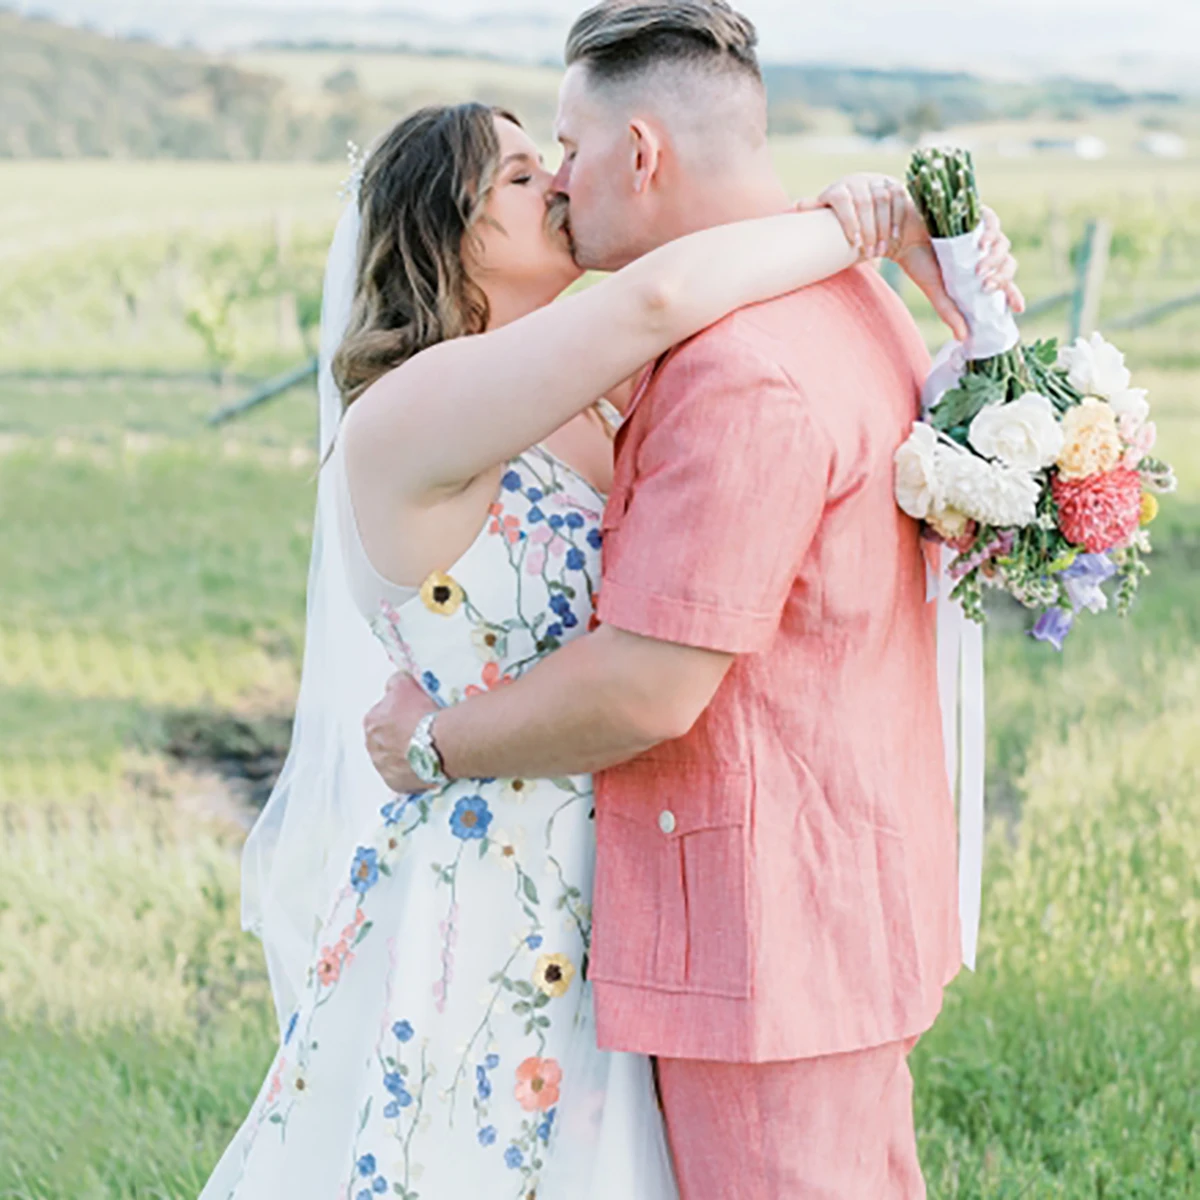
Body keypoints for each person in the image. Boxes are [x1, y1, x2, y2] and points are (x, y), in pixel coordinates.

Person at [204, 35, 1020, 1200]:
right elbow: (661, 291)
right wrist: (857, 226)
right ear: (449, 232)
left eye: (563, 156)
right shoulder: (414, 412)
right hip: (490, 869)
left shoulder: (588, 395)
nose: (561, 183)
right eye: (525, 175)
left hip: (620, 866)